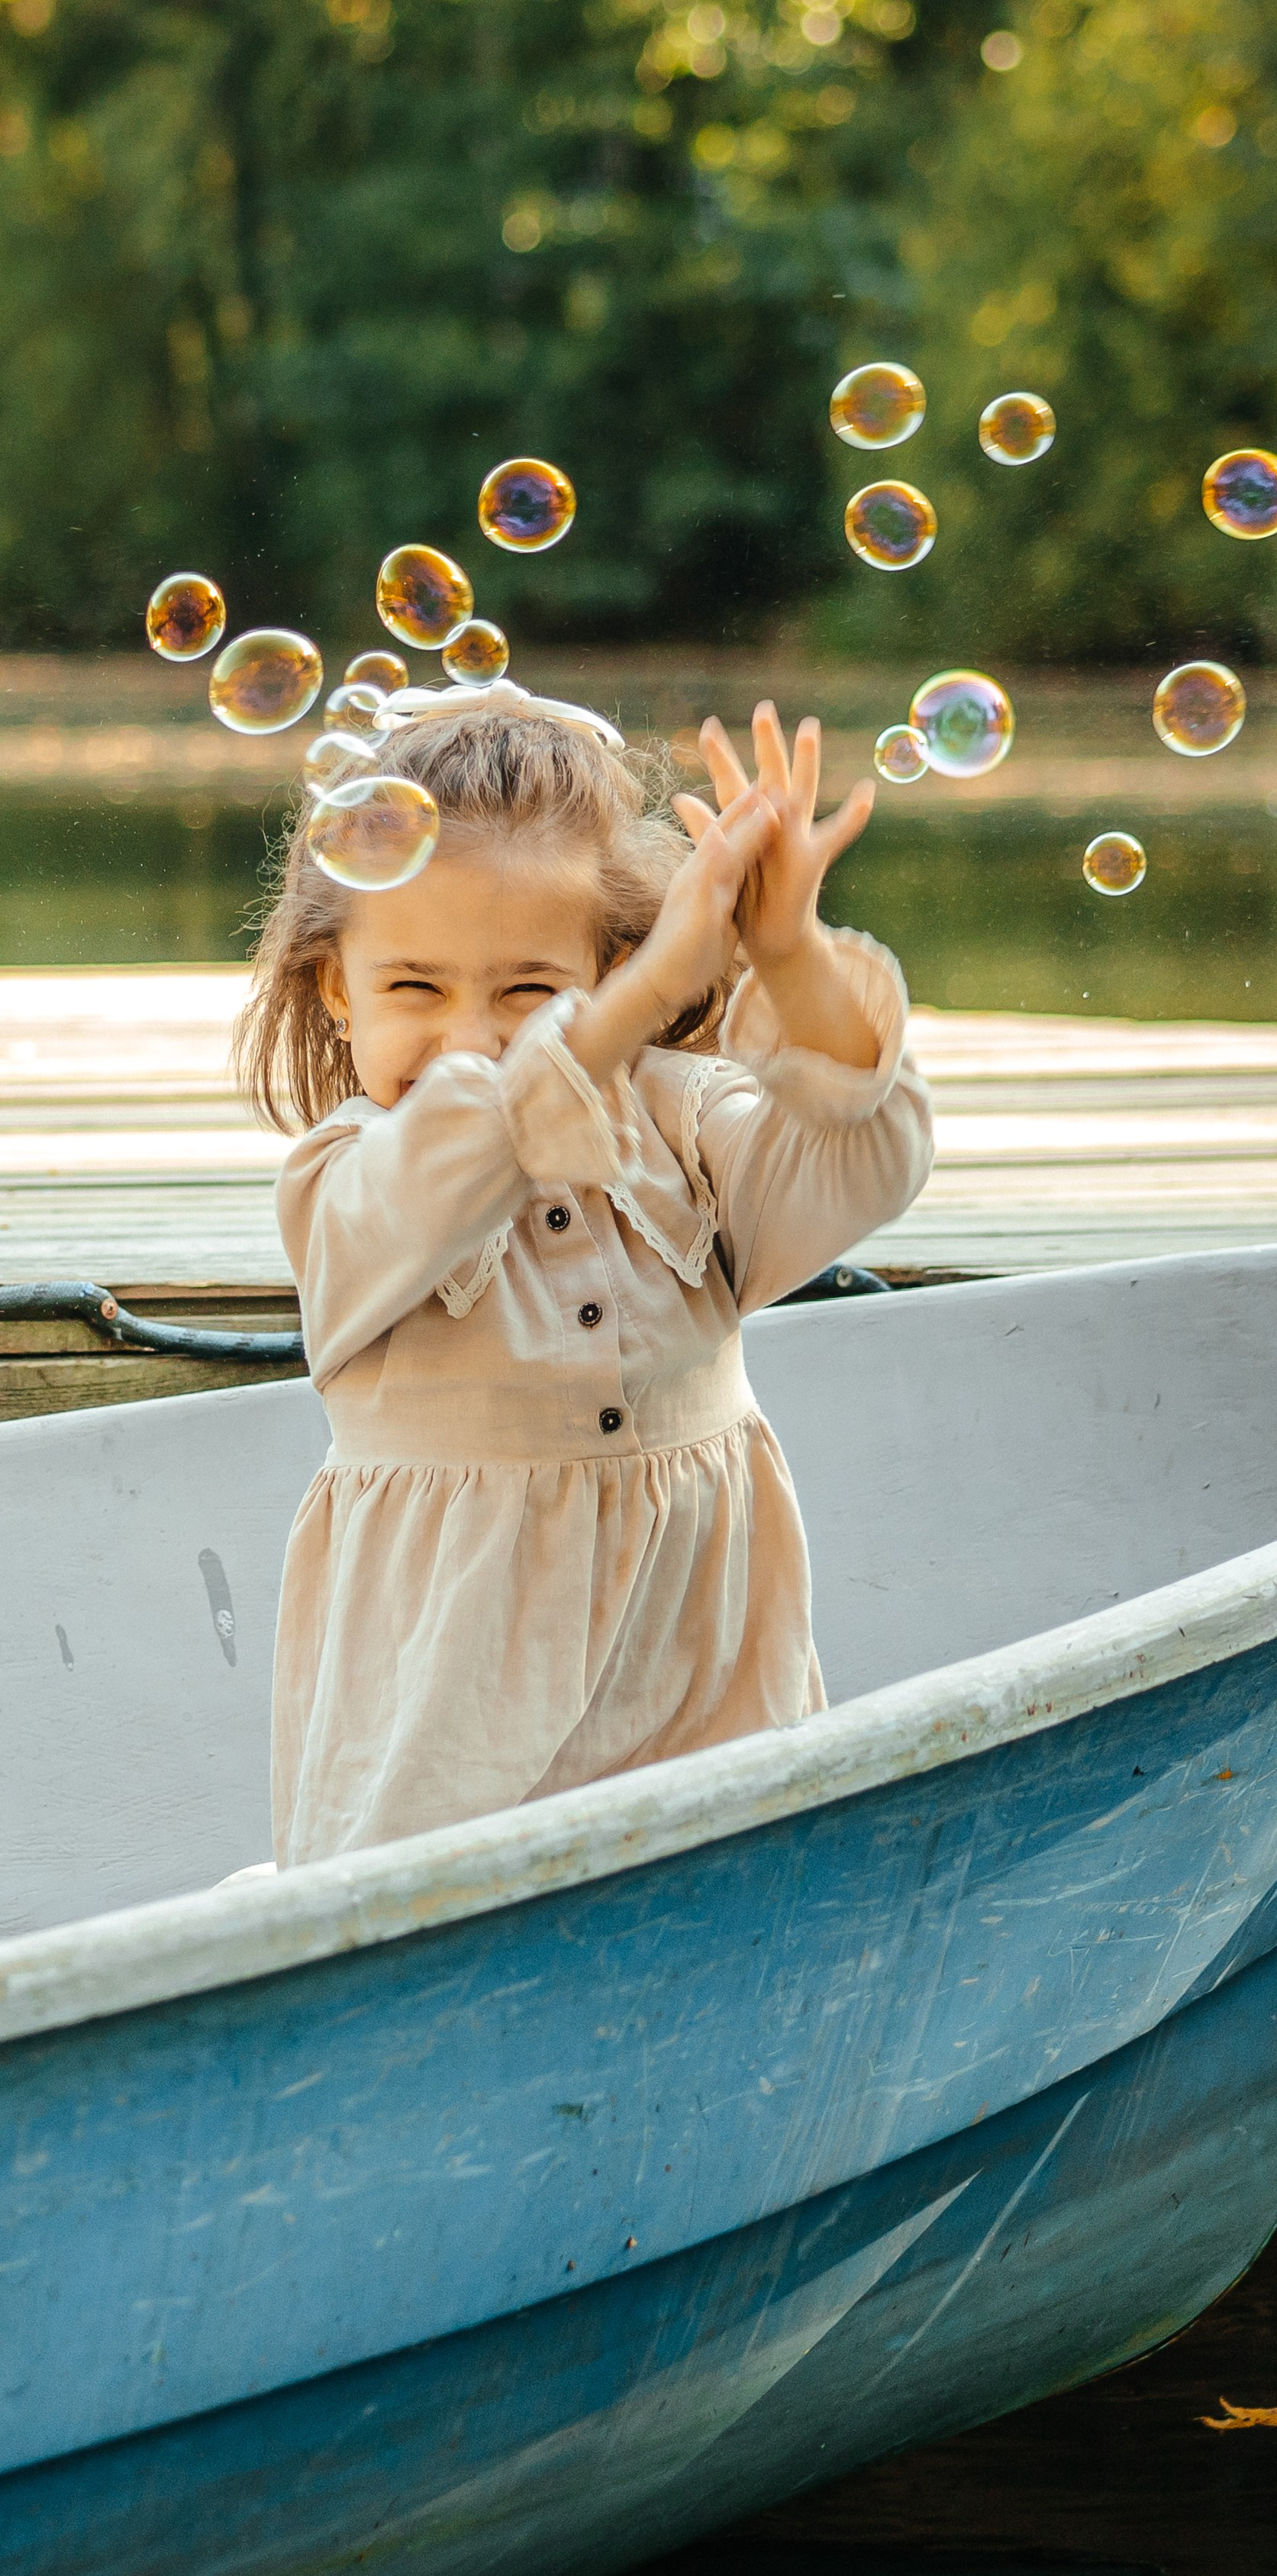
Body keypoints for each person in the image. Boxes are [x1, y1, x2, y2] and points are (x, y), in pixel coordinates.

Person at [234, 686, 934, 1867]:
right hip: (455, 1761)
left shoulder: (679, 1122)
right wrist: (646, 995)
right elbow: (474, 1142)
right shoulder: (346, 1183)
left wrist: (787, 952)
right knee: (442, 1943)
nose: (471, 1036)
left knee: (719, 1901)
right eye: (414, 986)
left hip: (703, 1712)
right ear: (336, 988)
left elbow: (863, 1160)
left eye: (527, 990)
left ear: (604, 960)